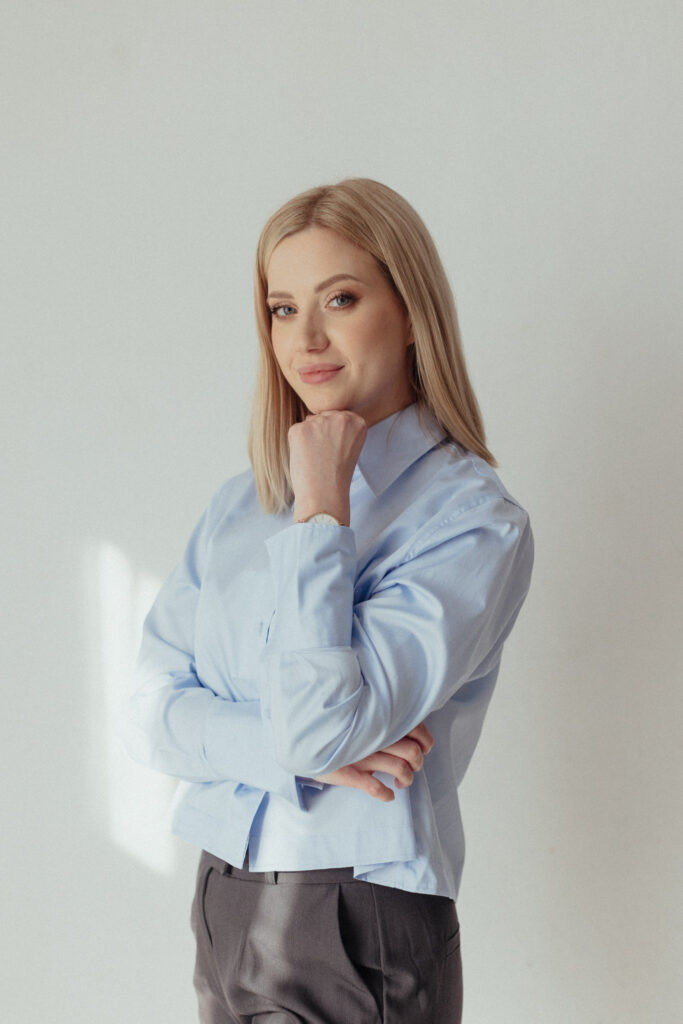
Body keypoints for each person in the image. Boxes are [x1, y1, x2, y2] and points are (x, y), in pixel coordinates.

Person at [121, 176, 535, 1024]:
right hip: (224, 893)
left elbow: (319, 729)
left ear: (410, 312)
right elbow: (146, 716)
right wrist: (282, 752)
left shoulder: (469, 521)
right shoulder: (240, 506)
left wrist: (321, 512)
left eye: (339, 299)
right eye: (282, 309)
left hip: (355, 909)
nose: (305, 337)